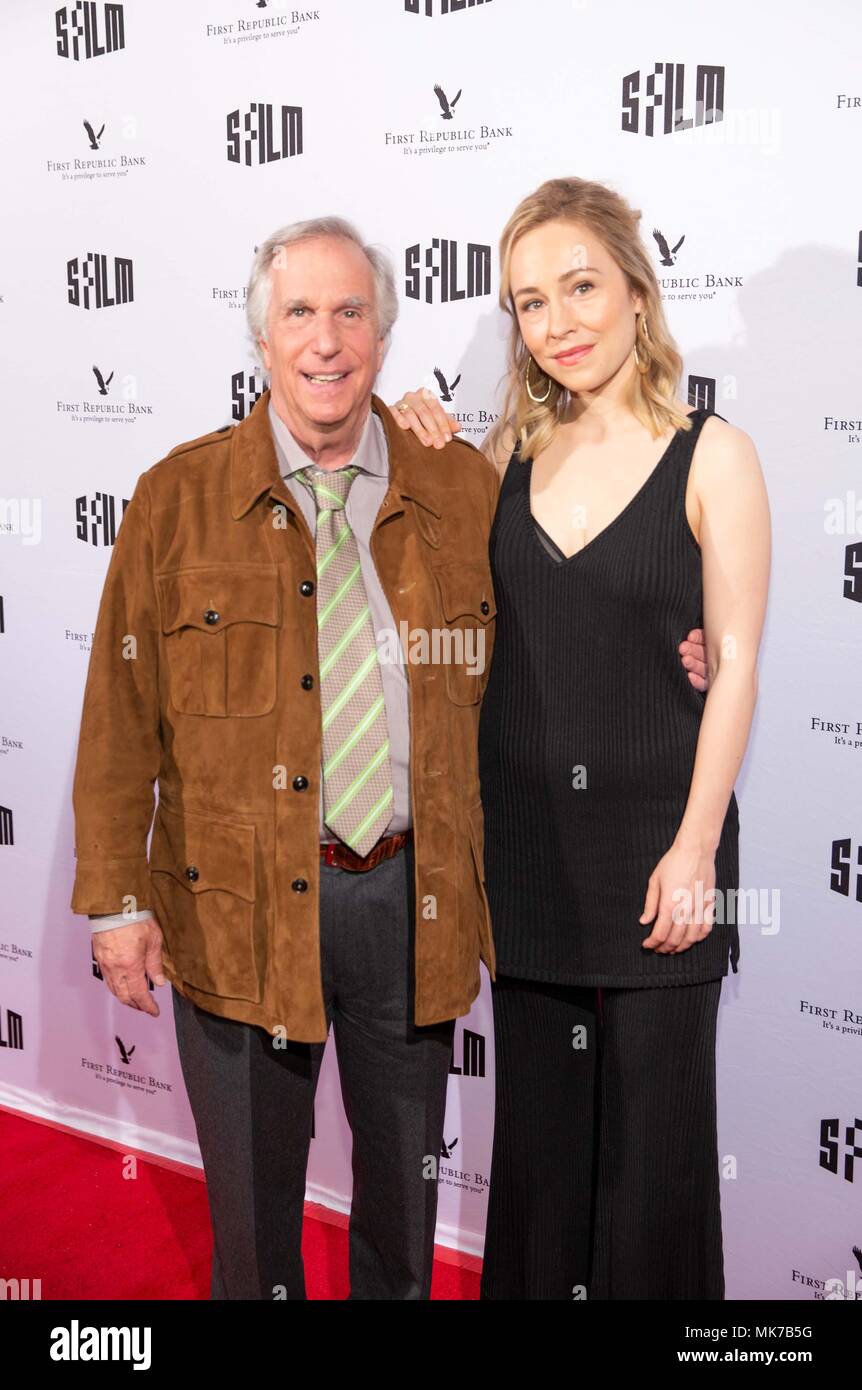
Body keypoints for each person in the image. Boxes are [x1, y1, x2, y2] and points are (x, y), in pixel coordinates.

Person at [69, 216, 503, 1300]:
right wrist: (119, 900)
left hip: (410, 900)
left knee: (403, 1211)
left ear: (383, 338)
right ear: (261, 339)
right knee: (255, 1223)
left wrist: (677, 650)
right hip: (236, 907)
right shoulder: (177, 498)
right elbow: (121, 714)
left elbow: (534, 666)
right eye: (299, 312)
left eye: (350, 311)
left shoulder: (456, 492)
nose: (326, 339)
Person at [390, 175, 770, 1299]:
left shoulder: (715, 455)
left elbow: (734, 663)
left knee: (656, 1170)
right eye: (526, 302)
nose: (556, 322)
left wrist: (696, 846)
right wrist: (418, 441)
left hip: (662, 853)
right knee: (540, 1167)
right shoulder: (501, 457)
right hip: (527, 859)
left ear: (637, 293)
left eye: (579, 286)